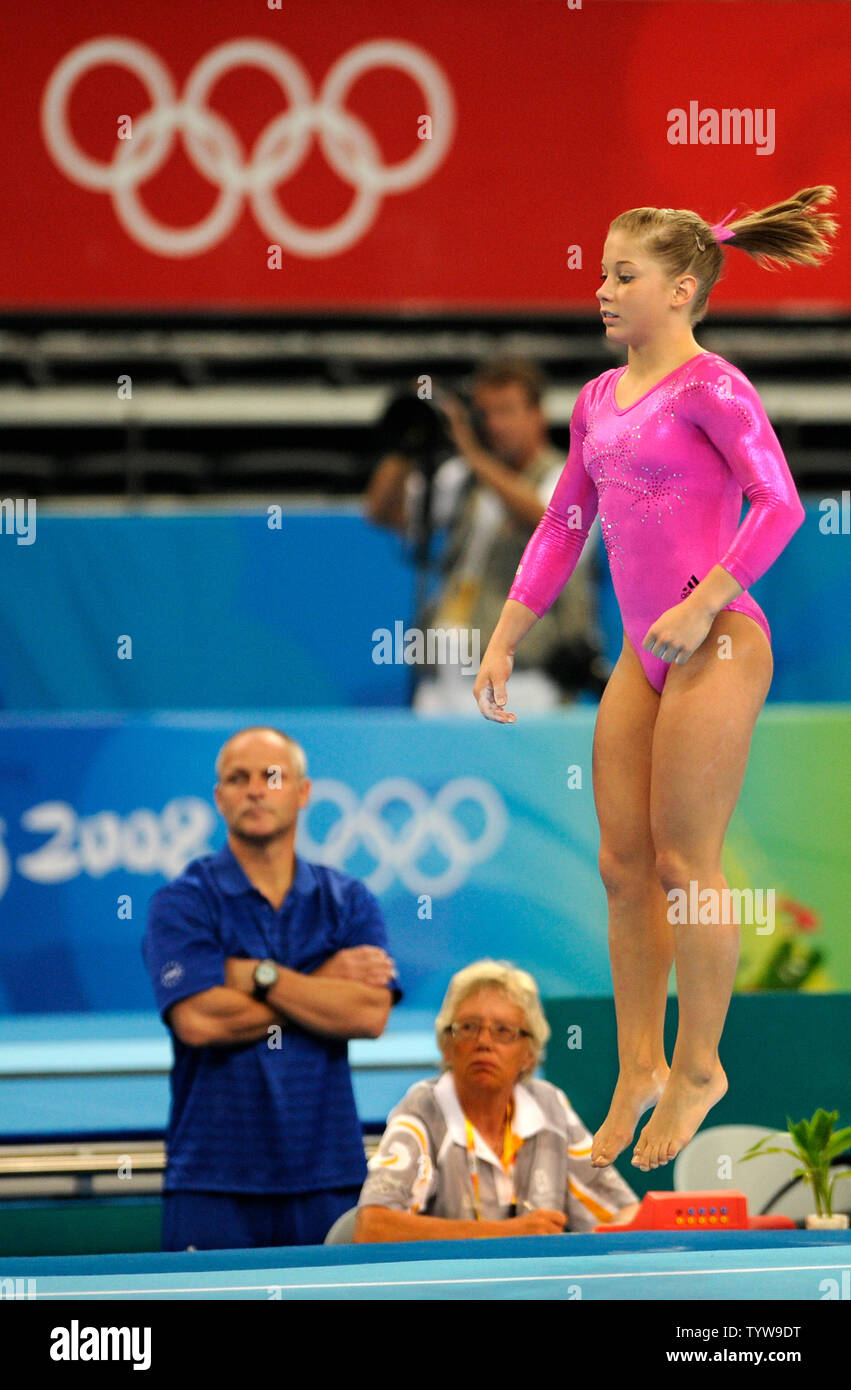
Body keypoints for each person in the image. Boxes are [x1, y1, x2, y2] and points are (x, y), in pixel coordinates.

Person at [473, 187, 837, 1173]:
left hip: (716, 634)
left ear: (681, 290)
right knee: (621, 868)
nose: (600, 289)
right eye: (598, 272)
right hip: (644, 646)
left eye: (620, 275)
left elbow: (778, 504)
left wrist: (701, 598)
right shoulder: (596, 399)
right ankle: (635, 1064)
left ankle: (697, 1063)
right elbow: (561, 522)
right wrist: (506, 631)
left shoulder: (713, 389)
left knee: (684, 865)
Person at [142, 726, 401, 1250]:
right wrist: (321, 983)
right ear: (219, 799)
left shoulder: (348, 901)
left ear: (303, 792)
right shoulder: (182, 903)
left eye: (272, 776)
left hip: (329, 1177)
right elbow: (200, 1020)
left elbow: (367, 1015)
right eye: (239, 779)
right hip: (212, 1181)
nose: (256, 789)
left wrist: (257, 976)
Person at [366, 357, 605, 711]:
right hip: (443, 669)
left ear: (538, 413)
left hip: (524, 674)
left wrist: (474, 453)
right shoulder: (462, 477)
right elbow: (383, 512)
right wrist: (406, 442)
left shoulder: (568, 478)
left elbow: (548, 524)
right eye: (486, 413)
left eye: (506, 411)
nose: (494, 424)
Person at [354, 960, 639, 1240]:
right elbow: (373, 1227)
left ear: (528, 1054)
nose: (484, 1042)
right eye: (468, 1028)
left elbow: (623, 1212)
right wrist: (510, 1233)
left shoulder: (549, 1106)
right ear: (446, 1046)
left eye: (503, 1031)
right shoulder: (423, 1109)